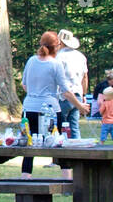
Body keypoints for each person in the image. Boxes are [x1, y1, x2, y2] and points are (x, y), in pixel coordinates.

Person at [18, 31, 86, 176]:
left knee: (30, 145)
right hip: (50, 109)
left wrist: (35, 93)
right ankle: (66, 180)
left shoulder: (31, 61)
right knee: (60, 142)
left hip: (29, 108)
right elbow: (65, 91)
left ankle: (25, 179)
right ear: (57, 46)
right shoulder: (55, 64)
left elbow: (24, 85)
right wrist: (80, 106)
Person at [55, 29, 89, 137]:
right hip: (78, 94)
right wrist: (83, 95)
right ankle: (78, 152)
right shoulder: (81, 56)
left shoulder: (59, 57)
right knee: (74, 127)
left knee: (60, 127)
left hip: (63, 95)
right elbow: (85, 78)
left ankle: (61, 152)